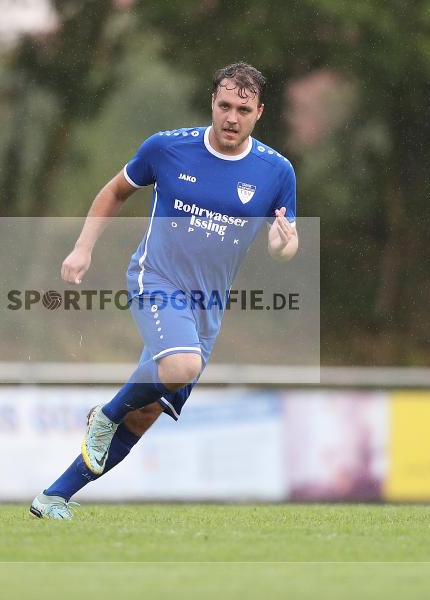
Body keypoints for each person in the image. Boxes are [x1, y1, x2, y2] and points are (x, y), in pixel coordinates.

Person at [30, 62, 298, 520]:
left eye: (243, 109)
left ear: (259, 113)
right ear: (212, 103)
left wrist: (282, 246)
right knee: (180, 365)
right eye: (225, 105)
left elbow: (281, 240)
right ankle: (106, 413)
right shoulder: (168, 148)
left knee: (145, 413)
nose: (232, 117)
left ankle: (54, 496)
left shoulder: (276, 171)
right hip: (155, 279)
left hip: (208, 309)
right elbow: (115, 191)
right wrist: (82, 248)